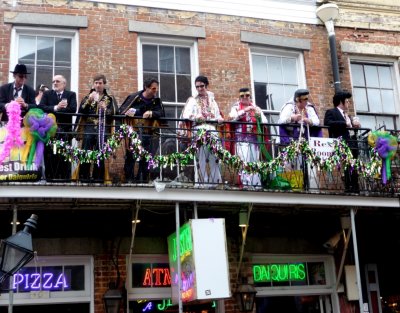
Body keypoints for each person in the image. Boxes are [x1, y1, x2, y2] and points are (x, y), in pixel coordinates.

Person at [118, 78, 165, 183]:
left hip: (148, 133)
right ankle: (129, 179)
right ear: (146, 87)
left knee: (146, 157)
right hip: (133, 132)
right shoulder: (134, 98)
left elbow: (161, 114)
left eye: (156, 89)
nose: (155, 91)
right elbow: (122, 111)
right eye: (153, 89)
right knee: (131, 156)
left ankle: (143, 179)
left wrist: (152, 113)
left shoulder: (156, 101)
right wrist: (135, 112)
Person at [181, 75, 224, 188]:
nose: (199, 88)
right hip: (199, 128)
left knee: (214, 155)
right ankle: (201, 182)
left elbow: (217, 114)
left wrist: (219, 119)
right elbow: (186, 114)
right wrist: (196, 117)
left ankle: (215, 182)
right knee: (200, 156)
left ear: (206, 85)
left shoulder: (212, 100)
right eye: (197, 87)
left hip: (212, 128)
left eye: (202, 86)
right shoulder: (193, 100)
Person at [75, 74, 117, 182]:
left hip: (103, 128)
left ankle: (98, 177)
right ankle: (84, 177)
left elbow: (114, 113)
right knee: (86, 151)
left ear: (104, 85)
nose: (98, 85)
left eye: (100, 83)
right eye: (96, 83)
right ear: (93, 84)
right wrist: (89, 101)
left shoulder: (109, 98)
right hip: (89, 127)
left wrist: (105, 109)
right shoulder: (87, 97)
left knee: (100, 152)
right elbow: (82, 112)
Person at [39, 75, 77, 181]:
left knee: (64, 156)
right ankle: (50, 178)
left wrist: (59, 110)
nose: (55, 83)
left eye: (58, 81)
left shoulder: (71, 94)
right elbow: (41, 107)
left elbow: (73, 109)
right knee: (50, 155)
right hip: (50, 131)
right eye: (53, 81)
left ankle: (65, 178)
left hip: (65, 131)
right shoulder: (47, 94)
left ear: (64, 84)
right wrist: (56, 107)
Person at [229, 87, 268, 189]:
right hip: (241, 140)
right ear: (239, 98)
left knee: (254, 162)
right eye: (242, 96)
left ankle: (256, 184)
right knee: (244, 161)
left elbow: (265, 122)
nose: (245, 97)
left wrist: (259, 115)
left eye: (247, 95)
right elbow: (231, 118)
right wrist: (244, 111)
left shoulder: (256, 108)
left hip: (254, 140)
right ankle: (246, 184)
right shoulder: (236, 108)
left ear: (250, 97)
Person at [324, 90, 361, 193]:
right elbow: (328, 123)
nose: (349, 103)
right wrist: (345, 124)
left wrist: (356, 126)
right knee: (347, 165)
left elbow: (352, 130)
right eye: (347, 101)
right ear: (341, 101)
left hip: (352, 144)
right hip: (341, 144)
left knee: (354, 166)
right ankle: (349, 187)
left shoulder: (348, 116)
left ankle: (355, 187)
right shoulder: (331, 112)